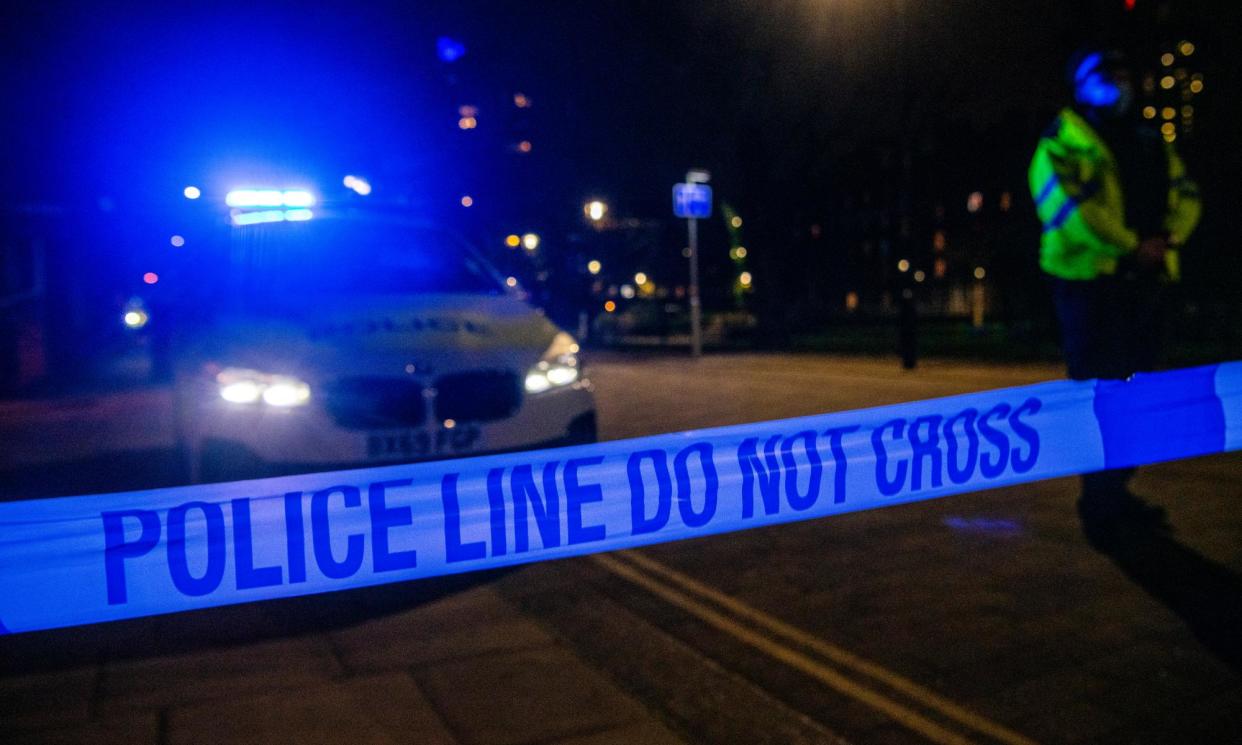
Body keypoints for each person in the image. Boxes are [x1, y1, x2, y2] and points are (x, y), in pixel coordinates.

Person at [1028, 48, 1202, 545]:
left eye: (1126, 73)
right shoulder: (1062, 140)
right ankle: (1100, 503)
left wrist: (1170, 238)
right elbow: (1069, 210)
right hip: (1090, 284)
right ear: (1080, 84)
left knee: (1141, 389)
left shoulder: (1149, 139)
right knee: (1098, 392)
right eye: (1107, 74)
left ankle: (1116, 492)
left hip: (1145, 282)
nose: (1120, 83)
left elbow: (1185, 193)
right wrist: (1131, 248)